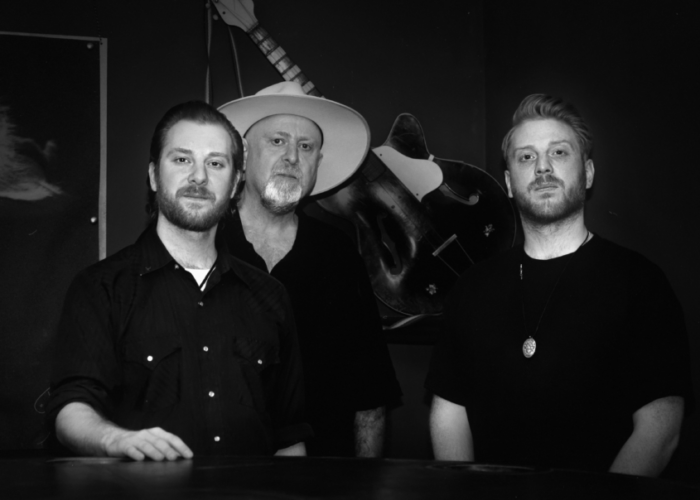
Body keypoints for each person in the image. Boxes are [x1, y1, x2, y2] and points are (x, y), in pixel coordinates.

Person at [425, 94, 693, 476]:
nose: (543, 167)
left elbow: (660, 428)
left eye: (559, 152)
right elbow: (449, 412)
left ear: (588, 173)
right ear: (509, 183)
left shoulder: (639, 282)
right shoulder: (471, 288)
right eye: (526, 157)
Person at [48, 101, 311, 460]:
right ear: (154, 175)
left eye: (215, 163)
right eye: (182, 159)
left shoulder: (270, 296)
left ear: (235, 183)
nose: (199, 177)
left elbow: (290, 435)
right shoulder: (101, 288)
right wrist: (115, 440)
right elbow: (71, 408)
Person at [218, 82, 402, 457]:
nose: (292, 157)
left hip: (323, 473)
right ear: (244, 154)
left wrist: (365, 482)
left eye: (306, 147)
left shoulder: (338, 253)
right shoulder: (205, 243)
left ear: (317, 162)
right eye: (277, 141)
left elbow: (370, 391)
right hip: (221, 473)